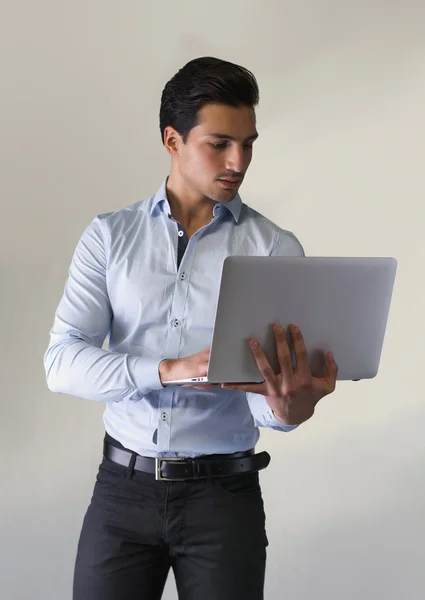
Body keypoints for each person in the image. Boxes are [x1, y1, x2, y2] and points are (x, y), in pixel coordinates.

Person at [44, 56, 338, 600]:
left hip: (224, 498)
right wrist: (167, 370)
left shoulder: (274, 249)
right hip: (121, 494)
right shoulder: (110, 237)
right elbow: (61, 362)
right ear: (172, 140)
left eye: (248, 143)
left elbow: (266, 401)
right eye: (219, 143)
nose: (238, 161)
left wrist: (290, 409)